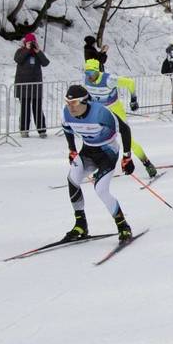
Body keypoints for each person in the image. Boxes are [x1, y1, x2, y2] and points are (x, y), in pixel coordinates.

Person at [62, 84, 136, 242]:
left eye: (74, 103)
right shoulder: (66, 114)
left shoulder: (101, 113)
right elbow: (67, 130)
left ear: (84, 101)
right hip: (88, 151)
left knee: (101, 189)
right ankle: (80, 224)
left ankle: (123, 226)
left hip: (107, 153)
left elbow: (125, 129)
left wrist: (127, 157)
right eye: (68, 103)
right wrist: (72, 150)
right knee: (72, 179)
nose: (70, 107)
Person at [83, 59, 158, 178]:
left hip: (116, 111)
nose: (88, 76)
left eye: (91, 73)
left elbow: (130, 83)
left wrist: (133, 99)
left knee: (129, 141)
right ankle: (102, 168)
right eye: (86, 73)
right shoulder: (86, 80)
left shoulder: (108, 80)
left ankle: (147, 164)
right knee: (99, 142)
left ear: (97, 71)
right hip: (102, 113)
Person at [14, 33, 50, 137]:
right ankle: (24, 130)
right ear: (25, 42)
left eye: (33, 42)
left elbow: (46, 63)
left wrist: (38, 51)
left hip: (36, 87)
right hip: (23, 86)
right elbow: (18, 59)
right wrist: (26, 49)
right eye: (30, 42)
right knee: (25, 109)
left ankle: (42, 130)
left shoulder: (37, 53)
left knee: (37, 108)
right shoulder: (20, 51)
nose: (32, 44)